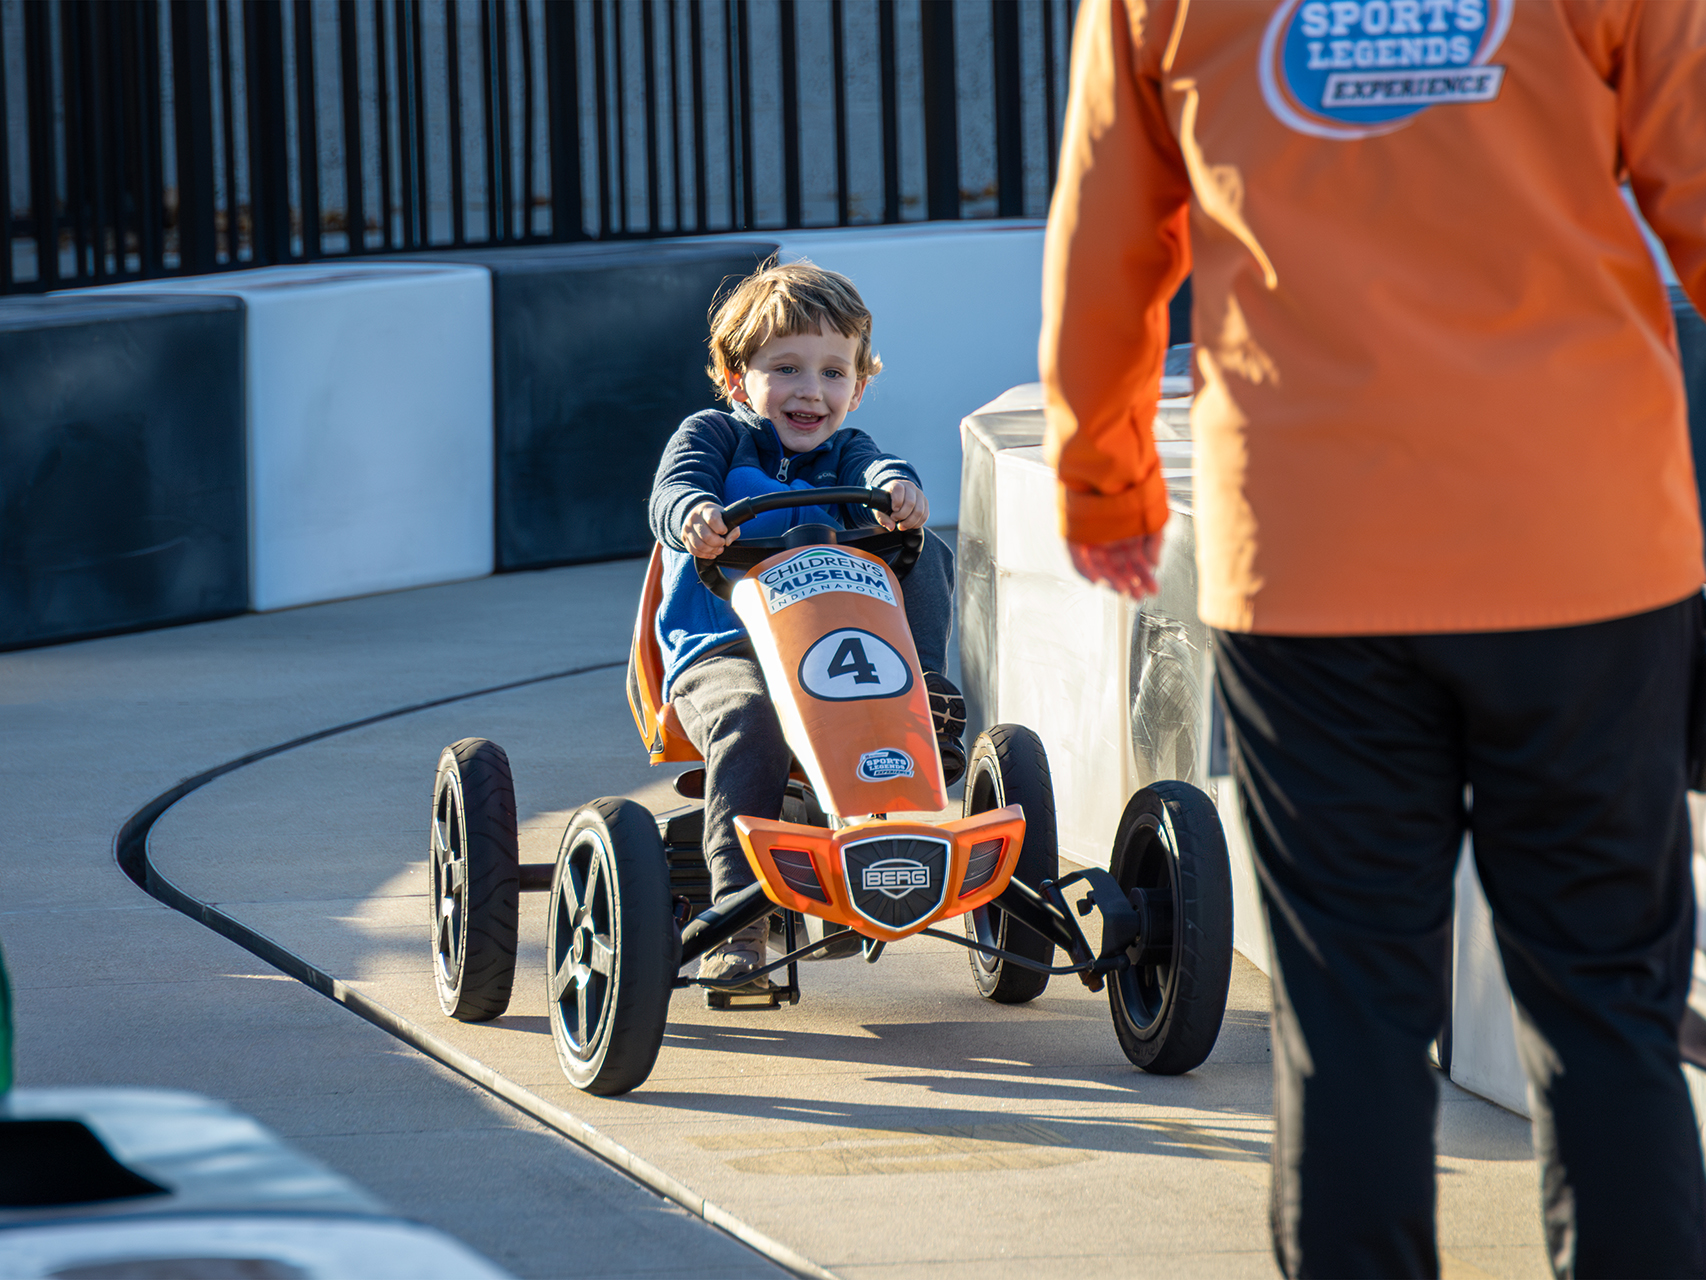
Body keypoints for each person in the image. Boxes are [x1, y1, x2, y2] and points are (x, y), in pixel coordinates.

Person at [1039, 0, 1706, 1275]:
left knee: (1347, 1012)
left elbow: (1108, 237)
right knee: (1604, 1003)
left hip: (1308, 559)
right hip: (1579, 547)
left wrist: (1103, 483)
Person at [649, 259, 964, 991]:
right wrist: (693, 516)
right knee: (749, 718)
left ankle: (921, 691)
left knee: (923, 546)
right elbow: (675, 486)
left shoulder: (848, 455)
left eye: (832, 372)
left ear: (857, 385)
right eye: (785, 368)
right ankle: (740, 919)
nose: (809, 392)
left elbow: (885, 465)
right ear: (737, 378)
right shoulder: (716, 437)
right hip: (723, 652)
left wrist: (897, 492)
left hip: (837, 652)